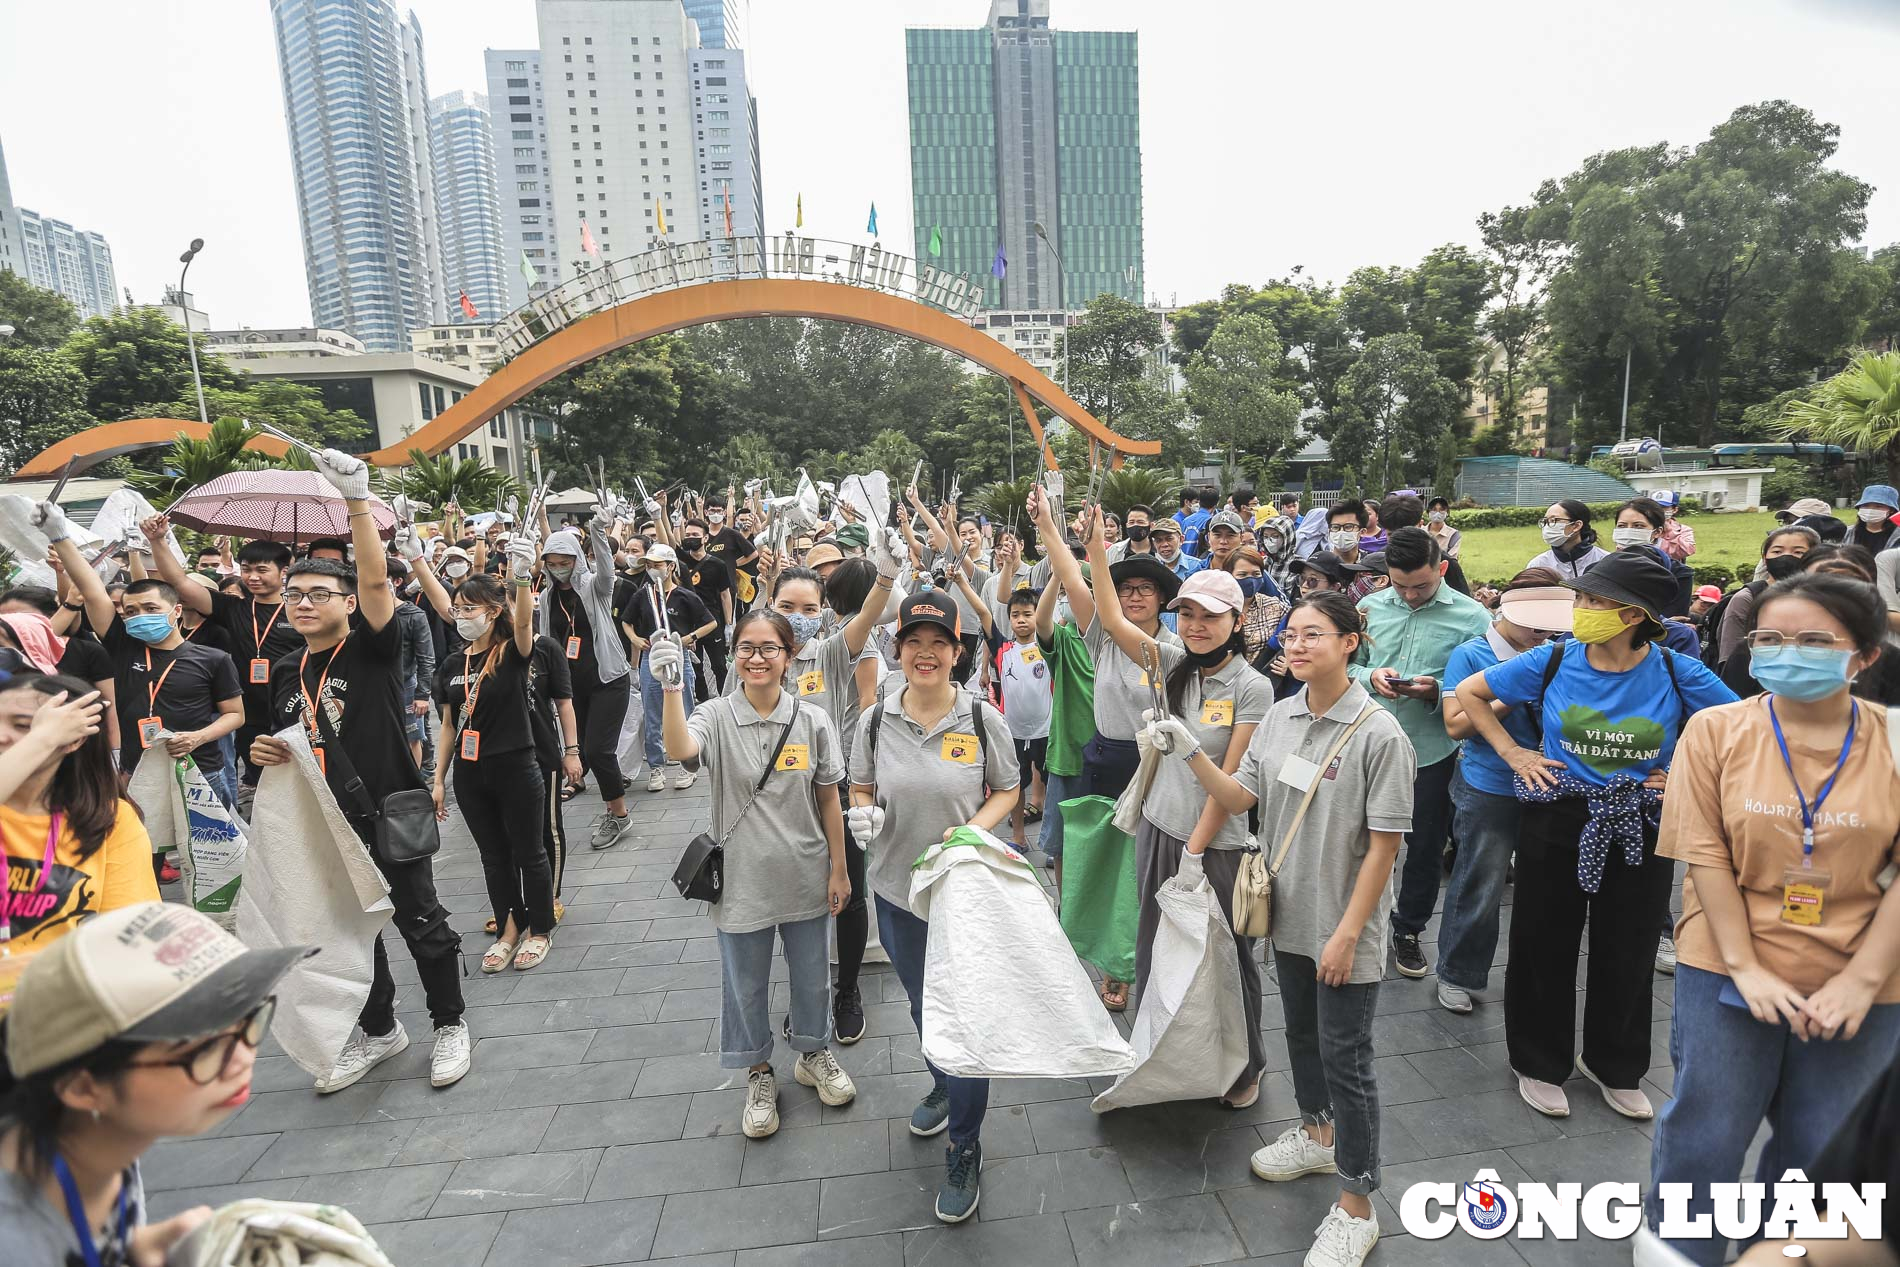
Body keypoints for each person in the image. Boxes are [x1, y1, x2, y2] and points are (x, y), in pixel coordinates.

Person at [1639, 573, 1900, 1266]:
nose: (1791, 653)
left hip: (1868, 980)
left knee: (1820, 1150)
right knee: (1704, 1133)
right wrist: (1747, 968)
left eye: (1816, 640)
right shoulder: (1716, 730)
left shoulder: (1895, 741)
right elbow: (1706, 857)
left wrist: (1861, 979)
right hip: (1725, 966)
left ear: (1866, 654)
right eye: (1773, 638)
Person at [1152, 589, 1414, 1267]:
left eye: (1315, 635)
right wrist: (1189, 752)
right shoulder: (1281, 714)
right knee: (1301, 1034)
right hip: (1288, 915)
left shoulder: (1379, 733)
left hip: (1342, 926)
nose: (1297, 646)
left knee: (1348, 1059)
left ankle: (1357, 1204)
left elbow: (1385, 847)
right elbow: (1241, 795)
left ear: (1351, 642)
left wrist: (1350, 931)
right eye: (1291, 635)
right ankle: (1316, 1133)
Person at [1454, 550, 1738, 1120]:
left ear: (1633, 615)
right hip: (1559, 815)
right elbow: (1469, 695)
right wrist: (1513, 753)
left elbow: (1742, 726)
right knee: (1541, 941)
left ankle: (1616, 1065)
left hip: (1640, 820)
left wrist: (1681, 765)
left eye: (1590, 600)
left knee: (1628, 947)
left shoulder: (1679, 671)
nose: (1578, 609)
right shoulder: (1553, 659)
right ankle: (1537, 1060)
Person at [250, 447, 471, 1093]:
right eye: (295, 594)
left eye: (319, 593)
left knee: (419, 921)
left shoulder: (373, 647)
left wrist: (355, 502)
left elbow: (377, 583)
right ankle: (380, 1030)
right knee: (348, 931)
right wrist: (269, 751)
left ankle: (450, 1023)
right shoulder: (290, 668)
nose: (303, 603)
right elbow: (289, 738)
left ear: (347, 602)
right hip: (323, 823)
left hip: (386, 811)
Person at [0, 902, 310, 1267]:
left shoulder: (98, 1146)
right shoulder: (16, 1241)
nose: (243, 1057)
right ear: (82, 1087)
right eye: (204, 1048)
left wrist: (135, 1248)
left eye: (247, 1018)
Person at [653, 610, 858, 1139]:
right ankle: (757, 1070)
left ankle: (813, 1053)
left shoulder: (813, 721)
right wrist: (673, 688)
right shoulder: (716, 715)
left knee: (814, 977)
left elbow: (830, 798)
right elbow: (680, 749)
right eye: (747, 647)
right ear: (733, 655)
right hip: (741, 880)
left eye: (769, 648)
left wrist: (839, 868)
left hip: (805, 872)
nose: (757, 658)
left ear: (789, 657)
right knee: (744, 984)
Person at [846, 591, 1017, 1224]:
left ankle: (965, 1144)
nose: (925, 653)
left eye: (938, 642)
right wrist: (863, 812)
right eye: (913, 641)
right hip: (897, 891)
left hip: (963, 894)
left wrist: (973, 830)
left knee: (966, 1017)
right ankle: (945, 1083)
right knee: (924, 1003)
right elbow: (860, 781)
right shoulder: (873, 720)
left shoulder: (979, 718)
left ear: (957, 652)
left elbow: (1008, 789)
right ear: (898, 650)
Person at [1088, 547, 1273, 1107]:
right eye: (1187, 614)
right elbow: (1112, 618)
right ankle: (1162, 1050)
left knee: (1224, 955)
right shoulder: (1170, 664)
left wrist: (1194, 850)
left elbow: (1236, 783)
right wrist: (1096, 546)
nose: (1195, 626)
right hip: (1158, 828)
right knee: (1156, 944)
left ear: (1236, 623)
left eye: (1210, 616)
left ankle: (1245, 1066)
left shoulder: (1251, 688)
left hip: (1214, 845)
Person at [1034, 488, 1179, 1011]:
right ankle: (1114, 966)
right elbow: (1073, 579)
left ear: (1162, 599)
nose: (1136, 596)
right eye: (1127, 589)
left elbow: (1092, 583)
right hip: (1104, 757)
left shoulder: (1175, 651)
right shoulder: (1098, 637)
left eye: (1146, 589)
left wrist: (1096, 546)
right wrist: (1051, 527)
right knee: (1106, 864)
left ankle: (1151, 955)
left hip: (1157, 766)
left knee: (1150, 868)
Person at [751, 540, 900, 1045]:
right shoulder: (757, 656)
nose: (799, 617)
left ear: (826, 612)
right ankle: (805, 996)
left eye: (810, 608)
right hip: (778, 800)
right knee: (798, 903)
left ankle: (847, 991)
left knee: (850, 892)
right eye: (786, 607)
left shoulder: (834, 650)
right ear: (770, 608)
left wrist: (886, 573)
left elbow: (872, 614)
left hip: (833, 792)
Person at [1348, 527, 1492, 979]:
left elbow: (1489, 685)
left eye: (1421, 586)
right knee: (1355, 837)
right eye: (1399, 584)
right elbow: (1342, 662)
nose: (1409, 595)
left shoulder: (1472, 618)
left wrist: (1438, 691)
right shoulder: (1368, 607)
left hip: (1431, 748)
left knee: (1424, 846)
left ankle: (1408, 929)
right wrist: (1370, 677)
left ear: (1443, 570)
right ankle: (1352, 920)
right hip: (1365, 743)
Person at [1435, 571, 1572, 1014]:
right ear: (1505, 609)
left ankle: (1537, 979)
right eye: (1533, 622)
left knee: (1550, 886)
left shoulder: (1562, 652)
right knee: (1481, 881)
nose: (1542, 632)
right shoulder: (1472, 655)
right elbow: (1456, 725)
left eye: (1550, 623)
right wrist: (1513, 686)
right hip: (1491, 782)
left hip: (1556, 781)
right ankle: (1458, 973)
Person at [47, 530, 246, 809]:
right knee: (144, 849)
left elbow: (235, 715)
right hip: (139, 770)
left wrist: (197, 737)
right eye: (131, 612)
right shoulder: (123, 646)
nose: (140, 616)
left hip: (198, 770)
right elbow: (90, 589)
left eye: (151, 608)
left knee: (203, 852)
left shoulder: (213, 658)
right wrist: (58, 534)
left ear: (176, 611)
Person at [427, 554, 557, 974]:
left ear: (492, 612)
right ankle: (508, 928)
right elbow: (448, 726)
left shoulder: (512, 654)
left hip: (516, 764)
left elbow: (523, 626)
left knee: (529, 852)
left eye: (471, 608)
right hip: (470, 773)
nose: (462, 615)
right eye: (458, 608)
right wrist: (439, 779)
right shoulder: (452, 663)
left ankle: (538, 929)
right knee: (492, 856)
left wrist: (520, 578)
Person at [145, 530, 305, 808]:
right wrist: (157, 541)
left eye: (262, 570)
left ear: (284, 571)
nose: (252, 577)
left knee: (299, 780)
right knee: (261, 780)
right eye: (246, 570)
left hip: (296, 710)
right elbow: (179, 581)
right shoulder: (233, 608)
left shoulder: (302, 609)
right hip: (249, 715)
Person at [0, 679, 152, 952]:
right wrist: (42, 738)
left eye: (23, 726)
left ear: (74, 739)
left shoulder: (110, 820)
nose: (1, 735)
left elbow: (127, 940)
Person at [541, 512, 639, 849]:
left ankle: (619, 816)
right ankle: (603, 801)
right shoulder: (546, 597)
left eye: (564, 561)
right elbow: (542, 639)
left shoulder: (594, 587)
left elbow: (608, 572)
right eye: (552, 563)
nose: (558, 568)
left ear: (577, 559)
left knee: (599, 750)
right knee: (580, 751)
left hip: (608, 678)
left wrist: (599, 530)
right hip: (570, 686)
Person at [625, 542, 715, 794]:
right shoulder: (642, 595)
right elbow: (626, 622)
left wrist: (690, 638)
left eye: (658, 565)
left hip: (679, 656)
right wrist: (634, 639)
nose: (653, 569)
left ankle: (689, 766)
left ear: (671, 566)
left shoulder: (685, 595)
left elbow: (710, 622)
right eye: (650, 565)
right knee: (652, 714)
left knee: (686, 711)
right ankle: (656, 767)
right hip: (651, 659)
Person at [1714, 525, 1818, 670]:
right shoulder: (1747, 598)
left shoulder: (1823, 599)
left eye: (1798, 552)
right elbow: (1730, 656)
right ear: (1764, 558)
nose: (1786, 556)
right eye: (1777, 551)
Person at [1612, 497, 1695, 618]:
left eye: (1638, 526)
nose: (1628, 531)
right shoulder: (1600, 568)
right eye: (1622, 526)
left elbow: (1674, 621)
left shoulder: (1679, 574)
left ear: (1657, 532)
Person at [1526, 498, 1609, 578]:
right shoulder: (1538, 565)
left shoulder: (1605, 561)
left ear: (1576, 525)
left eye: (1553, 520)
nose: (1547, 526)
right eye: (1546, 521)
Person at [1322, 500, 1380, 601]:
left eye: (1348, 527)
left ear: (1362, 532)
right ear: (1329, 531)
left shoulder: (1371, 566)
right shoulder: (1320, 564)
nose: (1341, 532)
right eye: (1335, 527)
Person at [1149, 518, 1205, 583]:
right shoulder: (1151, 569)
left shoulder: (1197, 567)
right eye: (1158, 540)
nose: (1164, 544)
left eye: (1169, 539)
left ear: (1181, 539)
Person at [1850, 484, 1897, 554]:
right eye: (1866, 505)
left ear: (1891, 510)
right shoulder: (1848, 532)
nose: (1871, 510)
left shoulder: (1897, 536)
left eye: (1878, 506)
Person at [1651, 490, 1697, 561]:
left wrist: (1670, 531)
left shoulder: (1683, 530)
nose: (1658, 510)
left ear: (1674, 510)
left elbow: (1688, 550)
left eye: (1663, 507)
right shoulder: (1643, 526)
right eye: (1655, 507)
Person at [1424, 496, 1461, 561]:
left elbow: (1452, 560)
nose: (1437, 513)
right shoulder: (1420, 532)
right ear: (1428, 512)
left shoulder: (1453, 534)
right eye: (1434, 510)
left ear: (1447, 513)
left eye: (1441, 510)